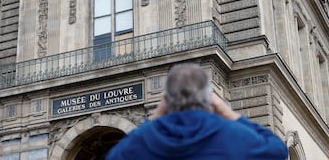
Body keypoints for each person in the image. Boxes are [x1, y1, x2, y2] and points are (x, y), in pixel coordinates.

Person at [106, 63, 288, 160]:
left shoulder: (145, 139)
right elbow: (278, 150)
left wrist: (155, 116)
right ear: (209, 98)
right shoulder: (234, 135)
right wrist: (229, 113)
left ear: (167, 100)